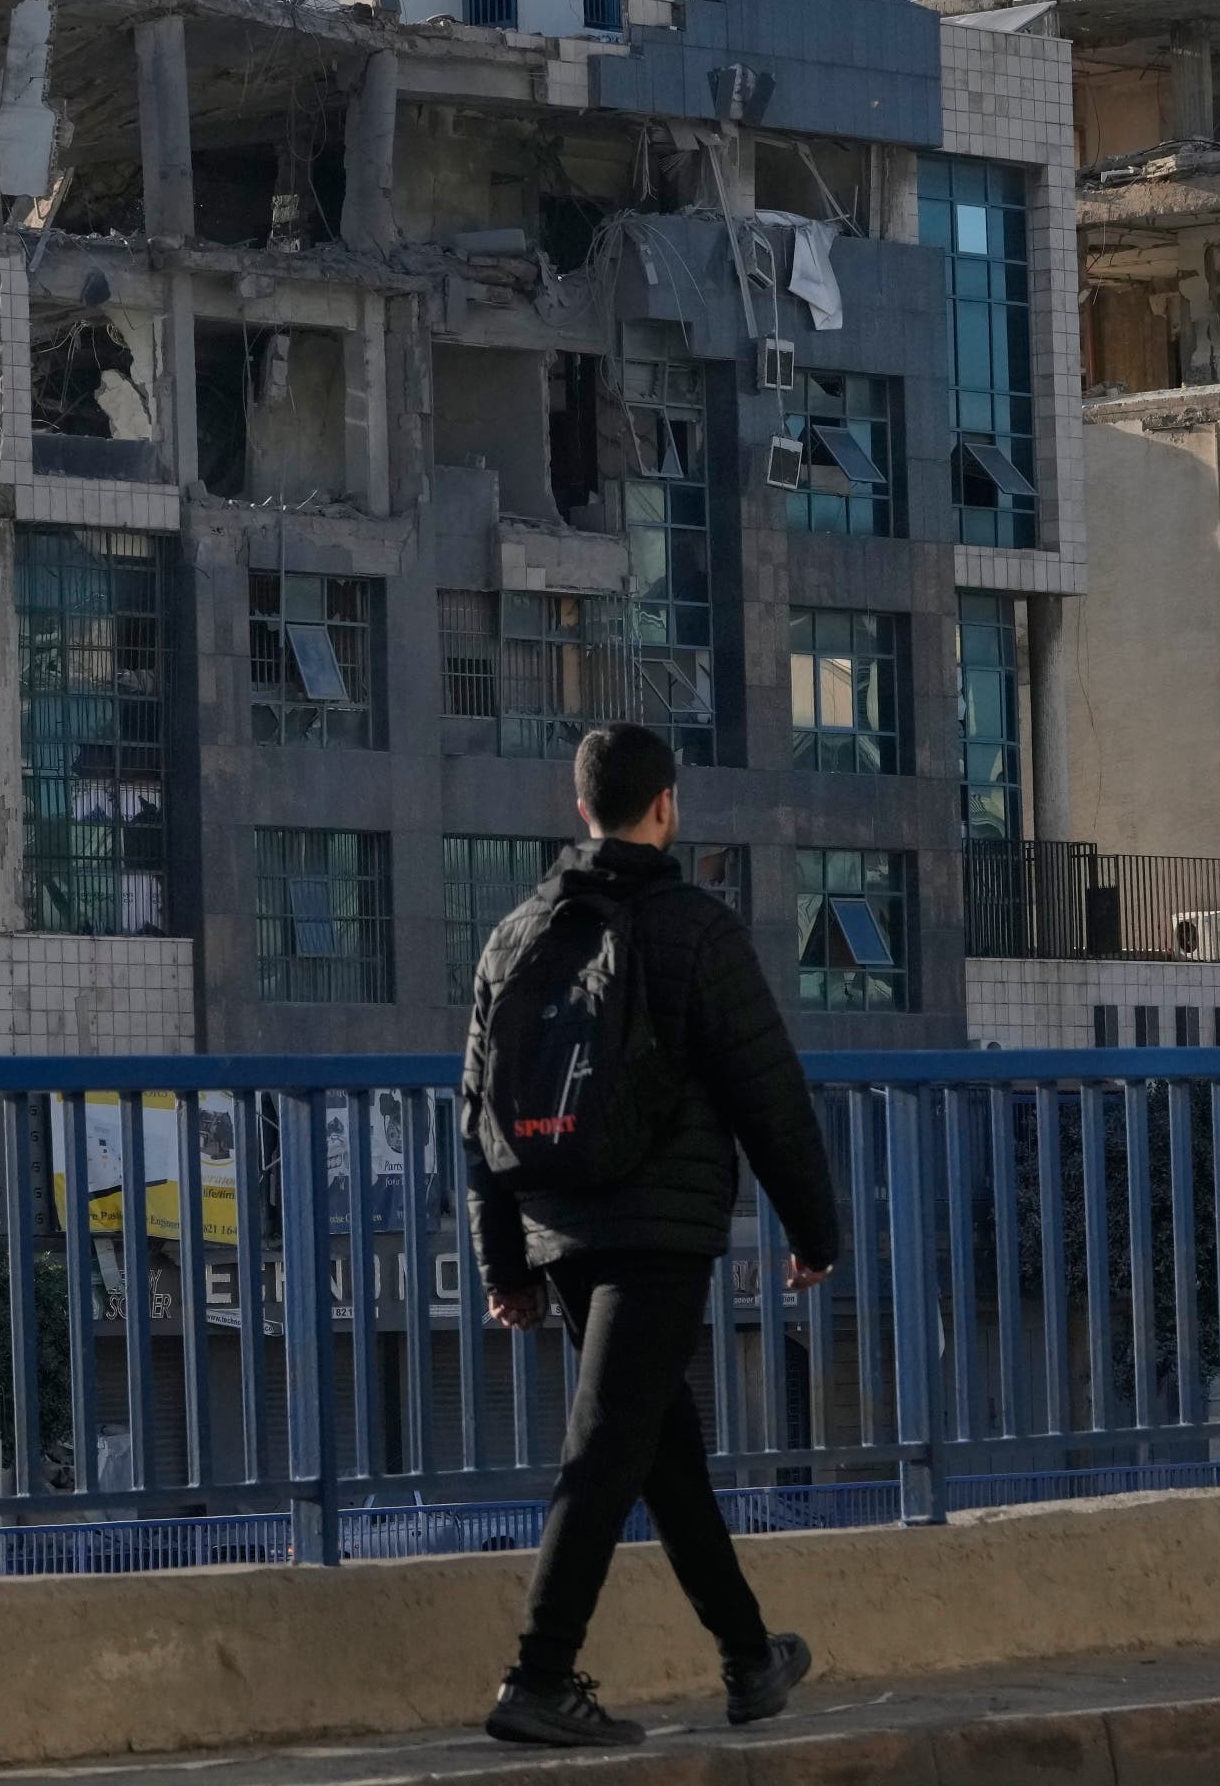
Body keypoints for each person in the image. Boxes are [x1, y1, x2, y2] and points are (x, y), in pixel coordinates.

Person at [463, 723, 844, 1749]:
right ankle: (538, 1677)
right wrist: (816, 1229)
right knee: (606, 1445)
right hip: (660, 1229)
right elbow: (768, 1092)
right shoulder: (693, 926)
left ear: (577, 804)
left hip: (560, 1222)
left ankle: (749, 1654)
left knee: (659, 1443)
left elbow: (479, 1114)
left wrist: (505, 1257)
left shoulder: (515, 933)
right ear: (665, 804)